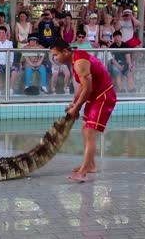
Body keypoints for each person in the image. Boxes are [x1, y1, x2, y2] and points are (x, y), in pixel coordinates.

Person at [50, 39, 117, 182]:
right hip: (95, 96)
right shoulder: (75, 59)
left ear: (65, 51)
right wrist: (73, 104)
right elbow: (82, 86)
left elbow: (88, 88)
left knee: (89, 131)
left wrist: (77, 108)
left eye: (56, 55)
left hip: (103, 96)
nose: (55, 58)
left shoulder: (79, 62)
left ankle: (83, 172)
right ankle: (91, 165)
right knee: (84, 128)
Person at [0, 26, 18, 96]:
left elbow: (11, 53)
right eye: (0, 32)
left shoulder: (9, 43)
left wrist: (11, 62)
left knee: (14, 72)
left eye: (3, 32)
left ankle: (10, 90)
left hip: (8, 64)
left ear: (6, 34)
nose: (2, 34)